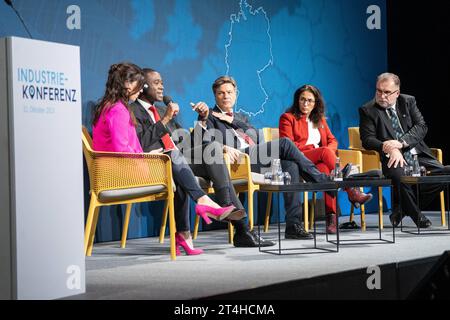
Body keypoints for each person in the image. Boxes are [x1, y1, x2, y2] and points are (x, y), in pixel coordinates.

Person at [92, 63, 236, 256]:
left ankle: (187, 230)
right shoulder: (120, 110)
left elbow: (183, 143)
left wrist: (200, 121)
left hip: (133, 165)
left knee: (177, 160)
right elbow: (122, 151)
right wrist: (147, 156)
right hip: (121, 172)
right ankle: (203, 204)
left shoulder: (117, 107)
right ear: (127, 85)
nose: (142, 88)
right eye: (139, 83)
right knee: (172, 159)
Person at [130, 68, 275, 247]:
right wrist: (165, 120)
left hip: (180, 157)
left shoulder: (160, 109)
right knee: (213, 150)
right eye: (156, 83)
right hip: (159, 162)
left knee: (212, 150)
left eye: (162, 82)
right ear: (142, 86)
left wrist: (202, 118)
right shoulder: (133, 110)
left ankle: (231, 213)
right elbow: (140, 143)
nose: (162, 87)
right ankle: (240, 226)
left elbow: (191, 144)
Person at [193, 75, 341, 238]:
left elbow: (254, 135)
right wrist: (221, 144)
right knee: (284, 143)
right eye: (221, 93)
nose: (226, 96)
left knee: (291, 164)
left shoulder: (241, 117)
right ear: (215, 95)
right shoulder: (210, 116)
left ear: (235, 94)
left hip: (257, 158)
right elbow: (203, 144)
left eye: (229, 92)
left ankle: (293, 224)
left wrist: (231, 119)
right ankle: (320, 179)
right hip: (238, 162)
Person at [279, 85, 373, 233]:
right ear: (297, 100)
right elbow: (288, 145)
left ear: (316, 103)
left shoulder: (320, 121)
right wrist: (316, 149)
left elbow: (332, 140)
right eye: (302, 99)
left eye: (310, 101)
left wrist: (327, 151)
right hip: (299, 159)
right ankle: (352, 190)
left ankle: (332, 217)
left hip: (318, 161)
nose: (305, 104)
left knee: (325, 169)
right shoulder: (287, 118)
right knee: (324, 153)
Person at [359, 72, 444, 228]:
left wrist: (401, 143)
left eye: (386, 92)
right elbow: (367, 139)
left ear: (397, 93)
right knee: (402, 177)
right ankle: (418, 217)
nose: (381, 96)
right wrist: (387, 147)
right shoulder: (368, 110)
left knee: (446, 173)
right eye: (378, 91)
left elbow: (421, 126)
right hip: (392, 157)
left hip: (416, 153)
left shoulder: (408, 101)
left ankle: (401, 210)